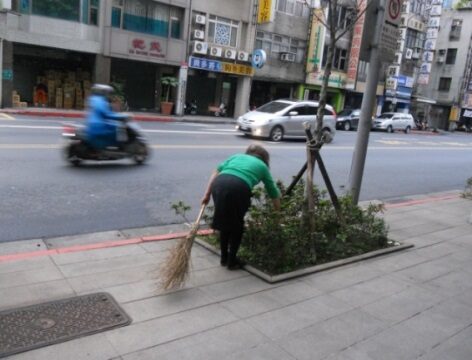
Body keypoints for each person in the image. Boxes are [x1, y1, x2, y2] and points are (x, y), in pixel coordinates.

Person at [201, 145, 281, 270]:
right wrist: (278, 212)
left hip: (219, 184)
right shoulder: (262, 166)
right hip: (238, 187)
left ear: (248, 153)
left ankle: (224, 258)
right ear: (265, 158)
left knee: (225, 223)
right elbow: (273, 190)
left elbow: (216, 172)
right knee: (237, 226)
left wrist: (207, 194)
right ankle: (232, 261)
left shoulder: (236, 156)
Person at [85, 84, 128, 149]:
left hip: (93, 124)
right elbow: (107, 114)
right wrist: (120, 116)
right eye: (107, 93)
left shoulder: (93, 99)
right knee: (118, 127)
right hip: (98, 125)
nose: (108, 95)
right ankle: (121, 146)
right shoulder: (100, 101)